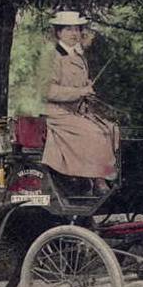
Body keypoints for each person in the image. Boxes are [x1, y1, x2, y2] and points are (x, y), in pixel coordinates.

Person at [39, 10, 119, 195]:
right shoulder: (51, 56)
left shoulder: (78, 56)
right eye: (68, 29)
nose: (74, 33)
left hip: (78, 112)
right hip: (58, 113)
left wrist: (86, 89)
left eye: (77, 29)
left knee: (112, 129)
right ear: (58, 32)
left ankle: (105, 176)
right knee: (94, 133)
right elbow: (48, 91)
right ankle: (98, 180)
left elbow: (79, 85)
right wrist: (79, 92)